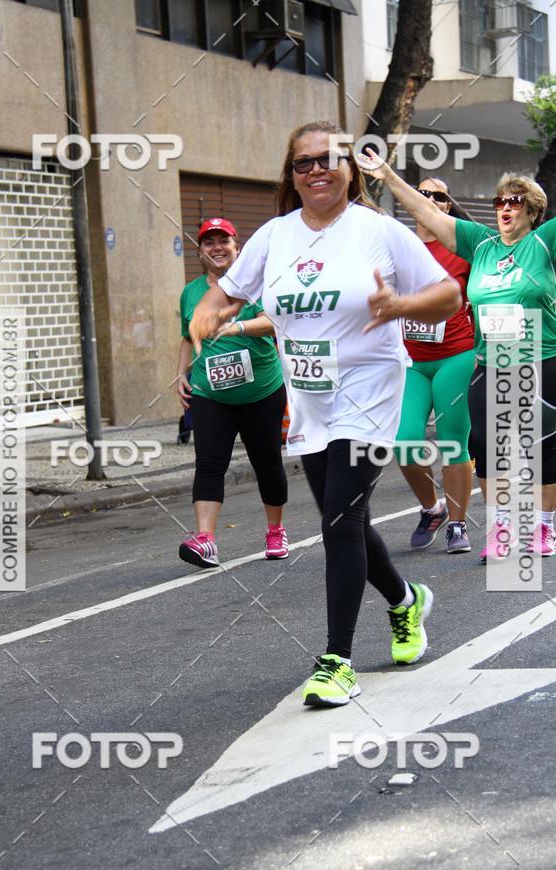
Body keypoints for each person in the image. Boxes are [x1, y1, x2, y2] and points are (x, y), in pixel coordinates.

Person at [189, 122, 460, 707]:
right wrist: (207, 315)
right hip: (309, 394)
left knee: (339, 517)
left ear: (350, 168)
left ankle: (337, 660)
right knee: (351, 519)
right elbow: (227, 293)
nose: (317, 170)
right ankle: (406, 602)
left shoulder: (379, 232)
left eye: (329, 160)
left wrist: (401, 305)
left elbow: (449, 296)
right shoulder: (274, 237)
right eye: (304, 163)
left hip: (371, 384)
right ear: (291, 174)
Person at [358, 148, 556, 559]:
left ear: (533, 211)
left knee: (542, 444)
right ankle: (502, 530)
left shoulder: (544, 241)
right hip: (491, 360)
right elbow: (428, 215)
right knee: (486, 443)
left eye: (515, 202)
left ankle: (543, 527)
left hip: (542, 355)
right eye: (500, 201)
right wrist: (389, 176)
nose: (505, 208)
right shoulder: (479, 243)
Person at [177, 216, 289, 568]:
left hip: (262, 391)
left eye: (223, 240)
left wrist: (235, 326)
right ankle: (206, 539)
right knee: (208, 464)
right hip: (212, 394)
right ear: (201, 253)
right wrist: (181, 372)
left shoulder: (256, 285)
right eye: (209, 242)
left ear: (237, 247)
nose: (217, 248)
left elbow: (275, 322)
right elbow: (186, 335)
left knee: (267, 462)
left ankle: (275, 530)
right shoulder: (191, 293)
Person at [394, 176, 475, 553]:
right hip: (412, 362)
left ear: (447, 207)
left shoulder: (463, 249)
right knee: (404, 441)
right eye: (421, 193)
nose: (428, 199)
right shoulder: (398, 247)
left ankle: (458, 525)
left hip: (455, 356)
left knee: (453, 442)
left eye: (438, 196)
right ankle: (433, 508)